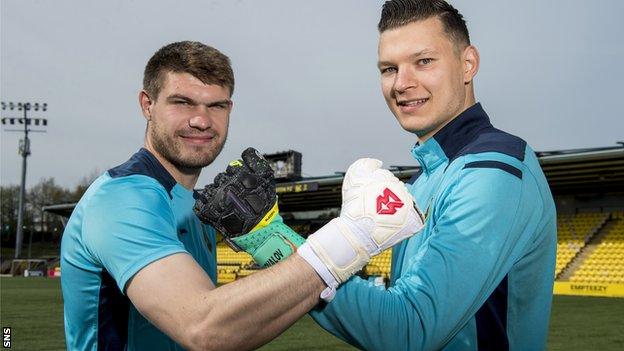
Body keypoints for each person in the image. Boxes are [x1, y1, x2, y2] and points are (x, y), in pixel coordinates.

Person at [60, 40, 424, 350]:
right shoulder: (122, 199)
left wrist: (271, 242)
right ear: (147, 104)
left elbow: (239, 330)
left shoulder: (196, 203)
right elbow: (203, 328)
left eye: (216, 105)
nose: (201, 120)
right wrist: (352, 236)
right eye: (182, 102)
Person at [305, 1, 557, 350]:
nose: (402, 83)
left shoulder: (495, 170)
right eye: (389, 68)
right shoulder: (423, 180)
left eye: (423, 61)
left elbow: (409, 329)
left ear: (467, 64)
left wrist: (277, 246)